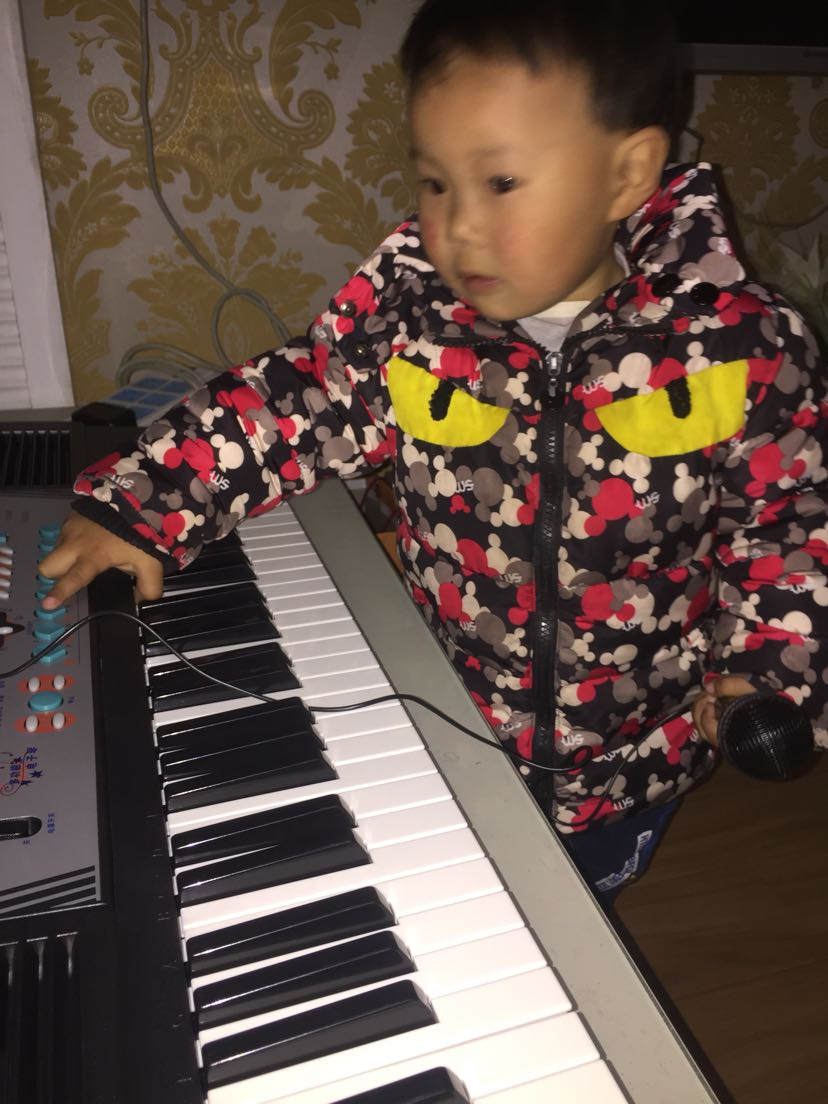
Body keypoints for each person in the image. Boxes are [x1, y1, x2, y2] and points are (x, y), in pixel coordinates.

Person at [39, 0, 827, 895]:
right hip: (448, 726)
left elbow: (789, 528)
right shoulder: (411, 327)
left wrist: (768, 668)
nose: (458, 226)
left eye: (500, 182)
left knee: (581, 909)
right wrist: (143, 500)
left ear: (626, 174)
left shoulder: (742, 350)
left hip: (631, 764)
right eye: (435, 182)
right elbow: (291, 402)